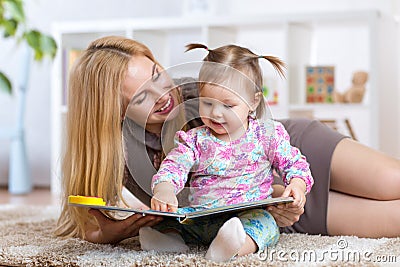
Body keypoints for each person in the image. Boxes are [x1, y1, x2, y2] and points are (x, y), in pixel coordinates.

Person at [55, 36, 400, 245]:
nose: (163, 94)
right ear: (112, 114)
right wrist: (119, 232)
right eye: (141, 97)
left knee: (392, 181)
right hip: (275, 206)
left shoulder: (196, 92)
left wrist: (285, 186)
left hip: (289, 152)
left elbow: (263, 135)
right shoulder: (121, 154)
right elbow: (92, 228)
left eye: (157, 75)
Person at [138, 43, 313, 262]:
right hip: (202, 218)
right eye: (207, 103)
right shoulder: (195, 139)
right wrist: (164, 190)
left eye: (228, 106)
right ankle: (169, 242)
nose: (216, 114)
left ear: (253, 101)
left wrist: (297, 184)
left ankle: (233, 246)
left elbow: (295, 164)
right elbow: (174, 166)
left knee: (266, 225)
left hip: (247, 217)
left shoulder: (267, 134)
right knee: (172, 222)